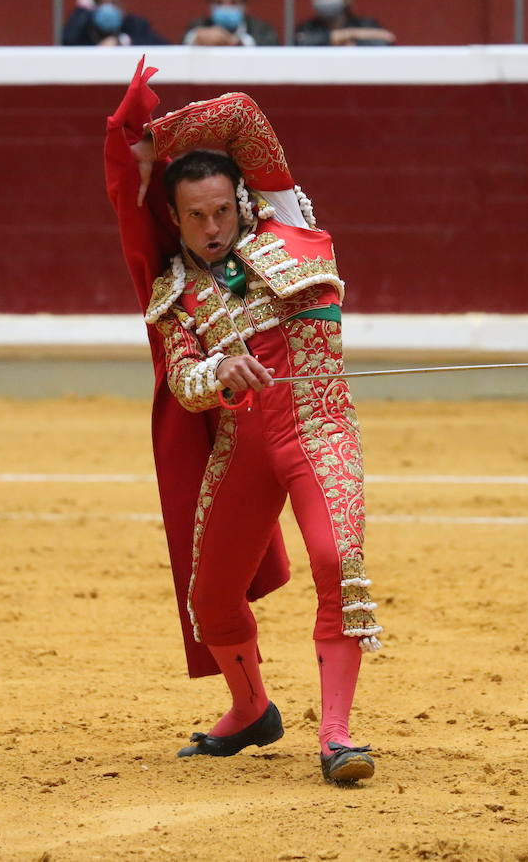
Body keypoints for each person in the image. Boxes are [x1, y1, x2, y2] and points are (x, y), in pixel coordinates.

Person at [103, 59, 382, 784]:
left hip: (319, 430)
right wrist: (219, 377)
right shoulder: (175, 292)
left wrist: (152, 140)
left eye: (221, 208)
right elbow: (185, 379)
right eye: (194, 216)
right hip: (243, 446)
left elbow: (244, 115)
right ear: (174, 218)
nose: (212, 226)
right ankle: (251, 708)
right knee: (210, 598)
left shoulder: (288, 221)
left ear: (241, 200)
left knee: (336, 562)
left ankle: (337, 736)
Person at [61, 0, 168, 47]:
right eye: (103, 2)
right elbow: (67, 41)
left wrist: (121, 41)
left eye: (114, 1)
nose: (109, 7)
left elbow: (161, 46)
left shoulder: (134, 24)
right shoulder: (84, 26)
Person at [181, 0, 280, 47]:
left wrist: (239, 42)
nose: (226, 8)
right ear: (210, 4)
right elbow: (184, 41)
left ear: (244, 4)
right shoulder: (199, 25)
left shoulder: (261, 29)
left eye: (233, 2)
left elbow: (271, 45)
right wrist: (197, 38)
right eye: (219, 2)